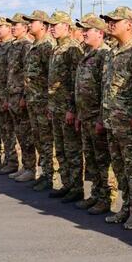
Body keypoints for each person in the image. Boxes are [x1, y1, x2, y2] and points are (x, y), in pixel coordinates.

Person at [101, 6, 132, 230]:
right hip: (113, 121)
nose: (110, 24)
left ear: (129, 24)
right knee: (120, 169)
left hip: (129, 124)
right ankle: (127, 206)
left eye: (115, 21)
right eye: (109, 21)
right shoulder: (113, 52)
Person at [74, 15, 115, 214]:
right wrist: (80, 113)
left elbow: (105, 89)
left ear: (99, 33)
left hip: (97, 116)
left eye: (86, 30)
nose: (83, 33)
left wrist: (101, 117)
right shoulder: (88, 52)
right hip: (86, 115)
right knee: (91, 159)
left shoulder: (104, 55)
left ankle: (107, 198)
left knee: (102, 160)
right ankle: (96, 194)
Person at [46, 11, 84, 201]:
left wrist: (72, 108)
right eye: (51, 25)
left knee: (72, 150)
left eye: (56, 24)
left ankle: (76, 188)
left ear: (67, 27)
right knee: (60, 149)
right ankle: (67, 183)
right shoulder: (56, 47)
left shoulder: (72, 49)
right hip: (56, 107)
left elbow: (75, 82)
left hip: (67, 108)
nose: (52, 28)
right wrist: (51, 105)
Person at [24, 10, 56, 191]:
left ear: (43, 25)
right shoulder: (34, 44)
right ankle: (44, 173)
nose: (29, 25)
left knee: (47, 140)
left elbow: (50, 77)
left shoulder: (47, 46)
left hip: (43, 102)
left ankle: (51, 176)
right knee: (38, 139)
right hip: (33, 100)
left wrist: (48, 102)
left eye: (32, 22)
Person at [6, 13, 38, 182]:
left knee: (26, 135)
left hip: (21, 96)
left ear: (24, 28)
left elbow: (28, 74)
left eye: (15, 25)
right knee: (20, 133)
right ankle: (25, 166)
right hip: (12, 94)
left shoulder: (27, 46)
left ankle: (31, 168)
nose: (12, 27)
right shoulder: (14, 45)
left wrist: (24, 96)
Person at [0, 17, 18, 174]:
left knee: (10, 130)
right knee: (4, 130)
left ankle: (13, 161)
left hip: (7, 96)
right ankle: (7, 159)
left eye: (1, 27)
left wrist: (8, 97)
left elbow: (12, 75)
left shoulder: (13, 47)